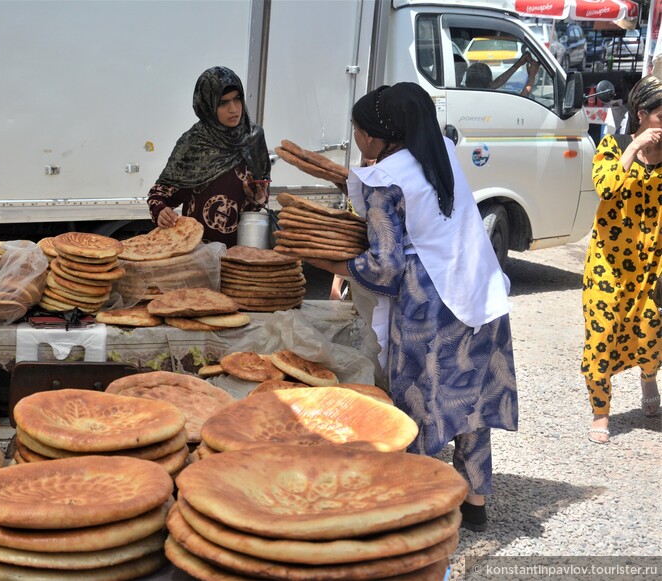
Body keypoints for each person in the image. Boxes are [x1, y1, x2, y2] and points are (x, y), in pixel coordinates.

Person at [304, 82, 517, 532]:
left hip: (432, 302)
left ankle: (417, 504)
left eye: (359, 130)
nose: (357, 138)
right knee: (471, 400)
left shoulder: (385, 180)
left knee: (417, 400)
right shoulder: (437, 149)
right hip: (482, 288)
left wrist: (317, 258)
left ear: (378, 135)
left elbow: (384, 265)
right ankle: (474, 502)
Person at [583, 75, 662, 445]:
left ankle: (649, 376)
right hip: (608, 267)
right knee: (601, 336)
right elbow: (607, 187)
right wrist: (634, 149)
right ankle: (601, 411)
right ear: (643, 115)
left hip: (652, 267)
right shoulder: (613, 146)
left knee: (650, 332)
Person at [147, 66, 271, 246]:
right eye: (222, 103)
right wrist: (161, 212)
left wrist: (257, 197)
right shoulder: (193, 143)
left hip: (243, 252)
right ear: (207, 105)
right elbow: (159, 196)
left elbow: (261, 198)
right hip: (199, 252)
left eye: (237, 99)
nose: (233, 109)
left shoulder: (253, 137)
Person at [464, 52, 539, 97]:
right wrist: (532, 76)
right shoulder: (491, 100)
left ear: (466, 82)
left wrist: (517, 64)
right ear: (490, 82)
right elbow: (522, 100)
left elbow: (499, 81)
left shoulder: (462, 94)